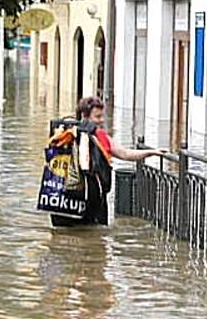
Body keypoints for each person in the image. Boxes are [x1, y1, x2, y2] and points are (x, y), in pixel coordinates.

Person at [51, 96, 164, 227]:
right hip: (94, 200)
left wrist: (151, 152)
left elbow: (125, 154)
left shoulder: (65, 136)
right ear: (85, 116)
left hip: (66, 201)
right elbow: (125, 154)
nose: (102, 120)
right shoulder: (85, 137)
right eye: (97, 117)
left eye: (102, 116)